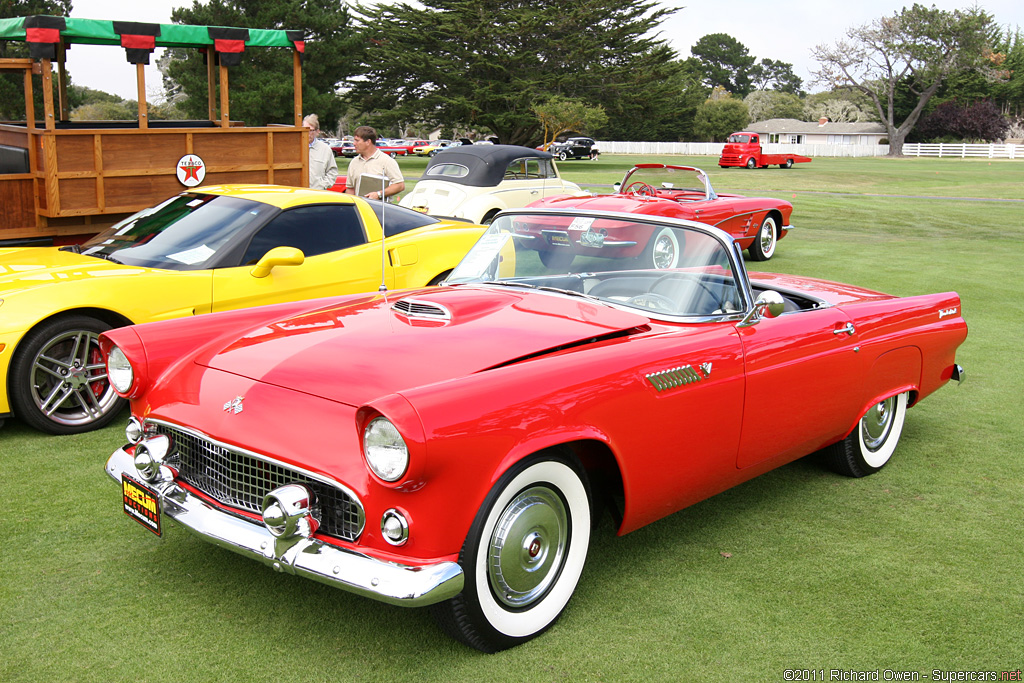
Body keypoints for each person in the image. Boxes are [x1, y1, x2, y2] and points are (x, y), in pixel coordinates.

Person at [345, 125, 405, 201]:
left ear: (368, 142)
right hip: (360, 209)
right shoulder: (354, 162)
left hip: (380, 210)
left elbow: (400, 185)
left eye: (357, 140)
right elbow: (350, 189)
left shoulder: (386, 161)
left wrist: (379, 194)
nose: (354, 143)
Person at [303, 114, 339, 190]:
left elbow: (332, 171)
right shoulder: (294, 148)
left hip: (317, 194)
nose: (307, 133)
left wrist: (322, 185)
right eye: (304, 130)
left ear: (317, 132)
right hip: (298, 195)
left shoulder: (325, 149)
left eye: (310, 130)